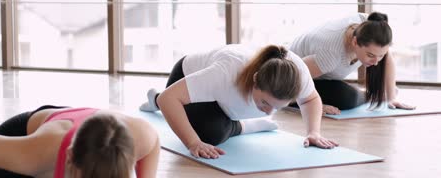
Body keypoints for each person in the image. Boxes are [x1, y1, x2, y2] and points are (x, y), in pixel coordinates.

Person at [140, 44, 338, 159]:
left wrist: (313, 132)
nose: (269, 112)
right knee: (209, 135)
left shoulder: (298, 76)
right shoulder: (224, 73)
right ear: (255, 79)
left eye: (277, 108)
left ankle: (242, 122)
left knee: (220, 123)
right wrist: (193, 143)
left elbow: (310, 99)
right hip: (184, 76)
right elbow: (170, 99)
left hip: (227, 100)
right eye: (264, 104)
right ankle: (154, 99)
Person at [0, 105, 160, 178]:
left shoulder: (142, 137)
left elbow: (154, 143)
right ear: (70, 156)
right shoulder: (33, 155)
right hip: (17, 139)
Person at [289, 11, 416, 115]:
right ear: (355, 42)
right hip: (290, 78)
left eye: (380, 56)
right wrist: (312, 104)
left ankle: (371, 94)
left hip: (317, 74)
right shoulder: (331, 53)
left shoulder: (371, 25)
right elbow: (291, 79)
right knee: (347, 97)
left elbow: (387, 58)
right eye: (370, 55)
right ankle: (369, 95)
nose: (376, 62)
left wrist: (391, 97)